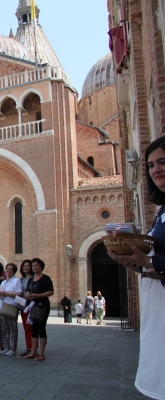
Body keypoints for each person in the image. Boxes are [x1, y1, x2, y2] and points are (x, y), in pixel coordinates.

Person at [107, 136, 165, 398]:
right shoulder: (162, 210)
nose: (156, 170)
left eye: (163, 162)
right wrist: (134, 260)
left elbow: (155, 258)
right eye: (151, 165)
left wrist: (146, 261)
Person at [23, 258, 54, 361]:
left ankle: (41, 353)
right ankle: (33, 351)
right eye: (33, 266)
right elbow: (27, 291)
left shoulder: (45, 278)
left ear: (41, 266)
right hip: (32, 305)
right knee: (33, 329)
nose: (34, 267)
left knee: (41, 328)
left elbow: (50, 292)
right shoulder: (31, 279)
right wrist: (28, 295)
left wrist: (38, 295)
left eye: (36, 265)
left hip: (42, 306)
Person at [0, 263, 22, 356]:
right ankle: (6, 347)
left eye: (11, 269)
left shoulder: (16, 281)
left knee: (13, 328)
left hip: (11, 307)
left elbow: (19, 294)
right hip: (2, 306)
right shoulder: (3, 282)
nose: (8, 271)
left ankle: (13, 348)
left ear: (14, 271)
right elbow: (1, 293)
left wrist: (6, 293)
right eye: (7, 269)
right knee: (4, 328)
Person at [19, 259, 34, 356]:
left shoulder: (34, 278)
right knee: (26, 328)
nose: (25, 267)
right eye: (24, 266)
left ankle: (34, 348)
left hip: (32, 305)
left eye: (27, 266)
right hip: (23, 306)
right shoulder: (21, 279)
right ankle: (29, 347)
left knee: (33, 328)